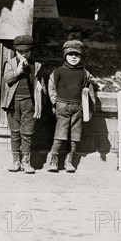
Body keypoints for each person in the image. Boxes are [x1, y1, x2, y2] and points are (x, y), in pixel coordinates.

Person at [45, 40, 95, 173]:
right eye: (70, 54)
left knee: (75, 136)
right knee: (60, 134)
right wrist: (55, 102)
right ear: (65, 55)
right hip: (62, 106)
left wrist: (89, 108)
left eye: (77, 55)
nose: (74, 57)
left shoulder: (85, 73)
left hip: (78, 108)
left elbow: (89, 91)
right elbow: (51, 87)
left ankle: (69, 160)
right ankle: (54, 160)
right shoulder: (58, 72)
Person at [2, 35, 45, 174]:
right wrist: (18, 71)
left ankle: (26, 162)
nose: (23, 54)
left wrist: (40, 91)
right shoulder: (10, 63)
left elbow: (41, 87)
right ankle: (16, 161)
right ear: (15, 51)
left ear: (31, 51)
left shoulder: (36, 66)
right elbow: (7, 79)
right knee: (15, 132)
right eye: (20, 52)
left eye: (26, 51)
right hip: (13, 103)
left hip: (29, 103)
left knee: (27, 133)